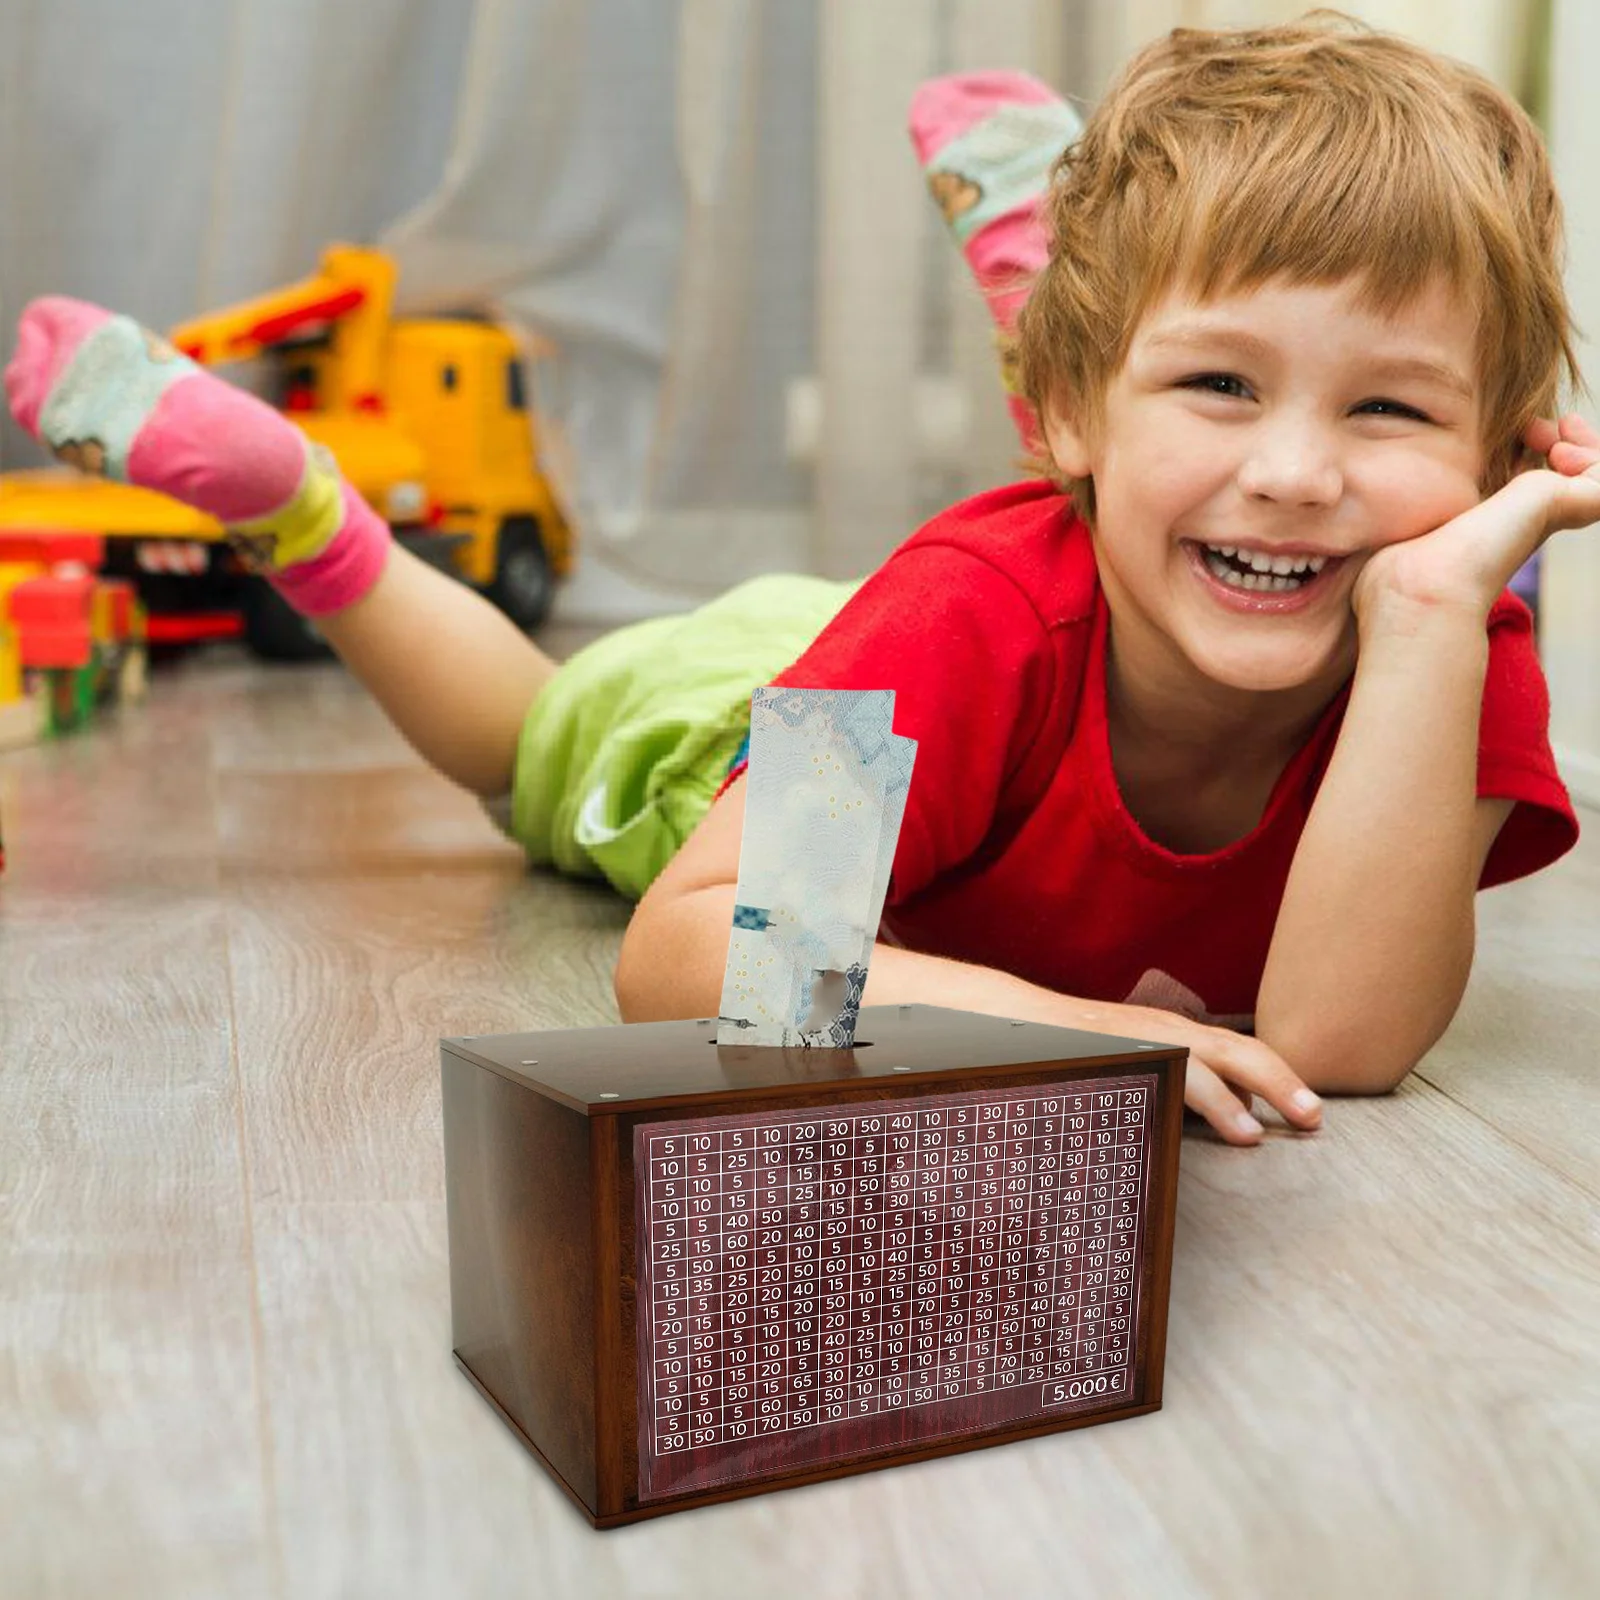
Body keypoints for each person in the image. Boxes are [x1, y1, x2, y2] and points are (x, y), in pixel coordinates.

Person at [6, 14, 1594, 1147]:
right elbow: (701, 955)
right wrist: (1097, 1038)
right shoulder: (972, 609)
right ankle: (303, 511)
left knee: (1141, 504)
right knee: (531, 737)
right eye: (1225, 387)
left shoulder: (1442, 619)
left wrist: (1441, 613)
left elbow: (1335, 1046)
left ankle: (1087, 326)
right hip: (763, 716)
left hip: (956, 652)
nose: (1304, 474)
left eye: (1389, 407)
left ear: (1507, 460)